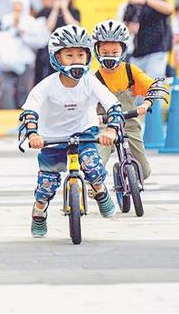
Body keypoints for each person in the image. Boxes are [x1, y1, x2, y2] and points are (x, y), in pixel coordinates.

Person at [19, 25, 121, 238]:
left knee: (92, 166)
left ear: (88, 56)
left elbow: (113, 105)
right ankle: (39, 212)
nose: (76, 59)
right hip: (52, 137)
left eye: (81, 54)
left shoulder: (90, 82)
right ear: (56, 57)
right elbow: (30, 111)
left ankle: (100, 190)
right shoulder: (46, 86)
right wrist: (33, 134)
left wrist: (111, 130)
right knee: (46, 186)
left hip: (85, 132)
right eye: (69, 55)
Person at [92, 20, 168, 180]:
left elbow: (155, 86)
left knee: (143, 172)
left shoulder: (130, 70)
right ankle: (95, 184)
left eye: (114, 52)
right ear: (97, 50)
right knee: (95, 168)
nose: (109, 57)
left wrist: (146, 104)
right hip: (104, 126)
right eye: (105, 52)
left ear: (123, 50)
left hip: (129, 124)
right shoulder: (94, 78)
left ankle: (125, 174)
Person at [0, 0, 47, 109]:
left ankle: (24, 113)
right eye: (14, 4)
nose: (16, 7)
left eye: (19, 4)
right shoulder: (5, 20)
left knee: (24, 89)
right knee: (5, 88)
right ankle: (7, 113)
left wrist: (21, 31)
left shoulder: (31, 22)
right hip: (6, 61)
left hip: (25, 61)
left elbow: (38, 42)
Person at [121, 0, 174, 78]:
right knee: (137, 84)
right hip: (138, 51)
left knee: (154, 82)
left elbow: (169, 9)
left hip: (157, 49)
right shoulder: (132, 4)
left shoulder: (157, 0)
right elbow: (126, 23)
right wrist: (130, 28)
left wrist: (145, 0)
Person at [35, 0, 81, 84]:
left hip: (70, 50)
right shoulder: (48, 12)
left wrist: (64, 9)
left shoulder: (74, 11)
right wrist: (55, 10)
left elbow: (75, 27)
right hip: (53, 52)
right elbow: (48, 28)